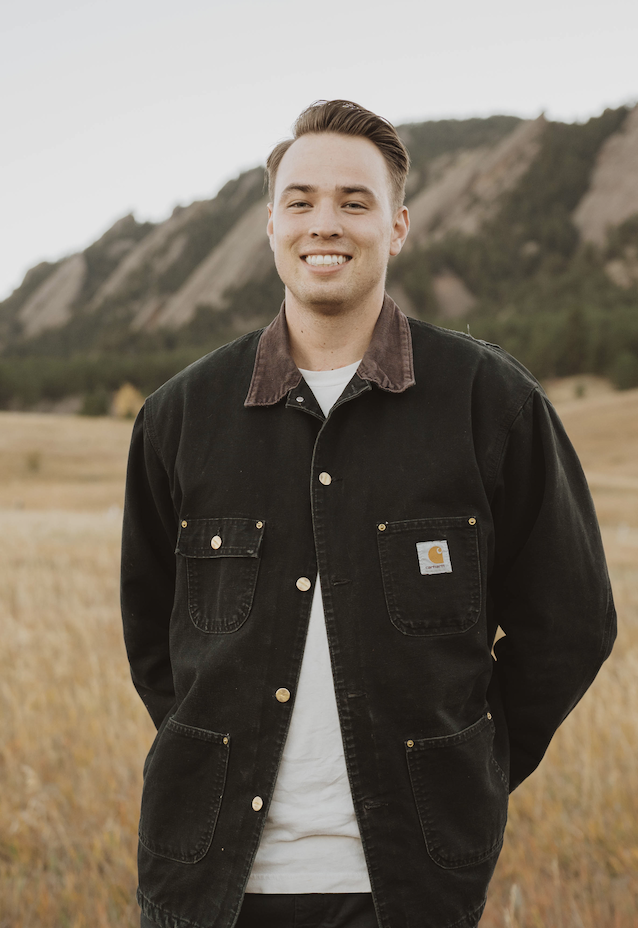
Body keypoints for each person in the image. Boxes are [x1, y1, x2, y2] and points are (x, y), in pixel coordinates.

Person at [121, 100, 616, 928]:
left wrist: (472, 762)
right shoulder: (179, 416)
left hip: (408, 886)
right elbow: (155, 638)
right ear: (270, 224)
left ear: (398, 228)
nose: (327, 223)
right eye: (302, 200)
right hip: (208, 882)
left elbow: (571, 624)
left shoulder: (489, 402)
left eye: (356, 202)